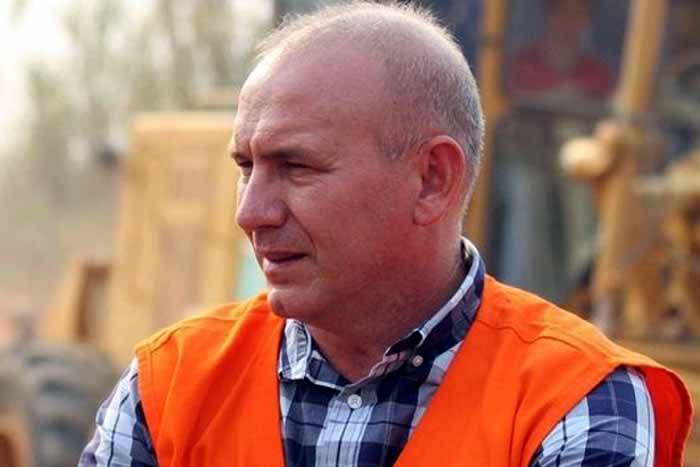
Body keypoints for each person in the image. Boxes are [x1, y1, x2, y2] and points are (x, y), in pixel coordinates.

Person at [79, 3, 692, 466]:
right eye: (246, 167)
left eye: (296, 167)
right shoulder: (170, 384)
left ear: (432, 180)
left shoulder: (578, 398)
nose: (250, 212)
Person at [508, 0, 612, 100]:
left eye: (577, 13)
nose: (569, 19)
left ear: (587, 19)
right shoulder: (522, 66)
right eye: (563, 10)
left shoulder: (599, 75)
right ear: (549, 13)